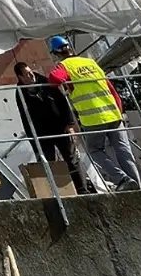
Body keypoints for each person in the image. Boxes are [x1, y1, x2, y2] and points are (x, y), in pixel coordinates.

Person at [47, 36, 141, 192]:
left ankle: (123, 179)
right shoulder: (91, 63)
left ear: (55, 53)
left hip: (93, 118)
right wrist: (119, 110)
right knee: (124, 150)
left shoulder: (64, 65)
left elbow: (54, 79)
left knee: (95, 151)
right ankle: (137, 185)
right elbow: (110, 87)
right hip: (113, 114)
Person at [14, 62, 89, 194]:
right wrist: (34, 143)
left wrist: (70, 125)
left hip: (60, 127)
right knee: (49, 163)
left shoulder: (46, 82)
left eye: (30, 71)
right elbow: (25, 118)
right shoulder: (20, 92)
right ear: (20, 77)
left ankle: (82, 190)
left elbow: (63, 103)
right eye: (27, 74)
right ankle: (59, 193)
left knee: (71, 158)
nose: (31, 75)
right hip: (42, 133)